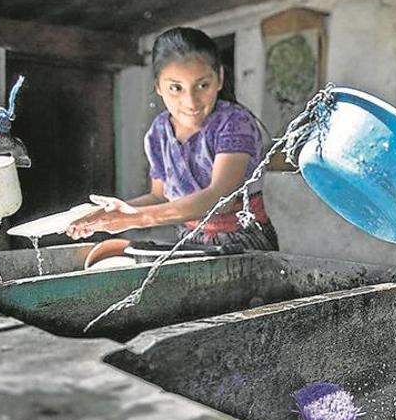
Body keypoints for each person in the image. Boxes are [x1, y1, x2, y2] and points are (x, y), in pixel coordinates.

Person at [66, 27, 278, 252]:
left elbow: (220, 199)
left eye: (202, 85)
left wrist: (135, 218)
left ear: (220, 79)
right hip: (189, 240)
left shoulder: (234, 122)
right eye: (176, 88)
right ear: (158, 86)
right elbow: (159, 197)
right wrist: (107, 214)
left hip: (244, 243)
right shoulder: (159, 132)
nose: (191, 101)